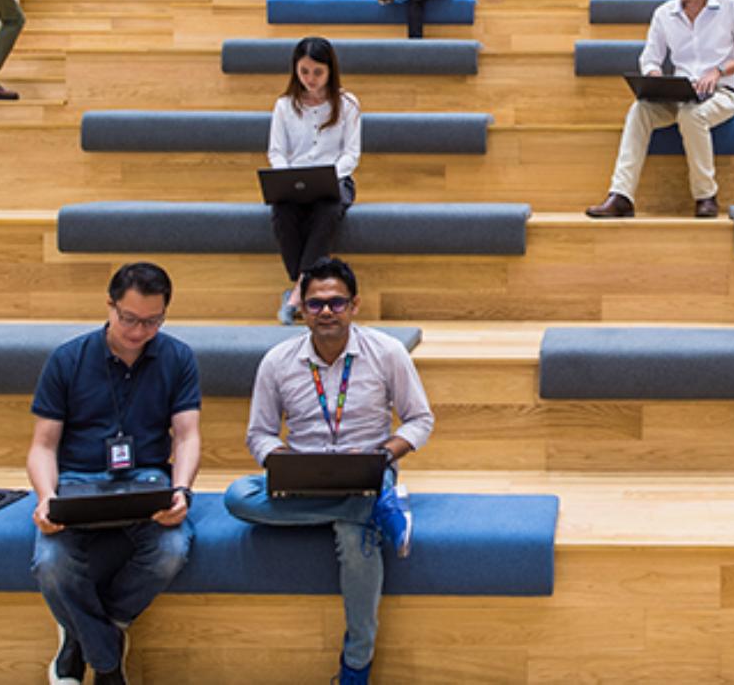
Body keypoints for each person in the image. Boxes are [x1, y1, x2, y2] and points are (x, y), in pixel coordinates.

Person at [227, 256, 432, 685]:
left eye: (336, 303)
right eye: (315, 303)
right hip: (303, 473)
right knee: (236, 497)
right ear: (300, 307)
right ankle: (372, 510)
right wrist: (281, 460)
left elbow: (419, 420)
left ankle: (355, 667)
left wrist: (382, 455)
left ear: (355, 305)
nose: (325, 312)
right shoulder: (277, 361)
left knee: (353, 538)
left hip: (371, 468)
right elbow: (259, 434)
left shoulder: (387, 352)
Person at [29, 261, 200, 685]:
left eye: (152, 321)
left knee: (171, 551)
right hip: (78, 482)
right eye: (129, 318)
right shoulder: (68, 359)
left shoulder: (178, 357)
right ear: (109, 305)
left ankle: (80, 635)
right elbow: (42, 445)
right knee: (50, 563)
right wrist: (45, 498)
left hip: (146, 481)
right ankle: (107, 660)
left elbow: (186, 436)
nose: (139, 331)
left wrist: (182, 490)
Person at [585, 0, 734, 219]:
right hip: (679, 93)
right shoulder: (664, 14)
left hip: (721, 93)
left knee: (693, 116)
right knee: (639, 110)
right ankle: (621, 196)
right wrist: (654, 74)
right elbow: (650, 57)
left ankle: (706, 195)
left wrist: (718, 70)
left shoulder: (732, 6)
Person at [268, 37, 361, 323]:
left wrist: (328, 176)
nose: (311, 79)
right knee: (283, 212)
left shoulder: (347, 104)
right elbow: (276, 152)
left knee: (328, 210)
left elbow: (351, 154)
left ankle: (297, 292)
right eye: (304, 71)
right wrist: (286, 176)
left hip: (336, 179)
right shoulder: (284, 105)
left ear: (331, 70)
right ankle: (302, 286)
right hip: (294, 180)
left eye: (318, 72)